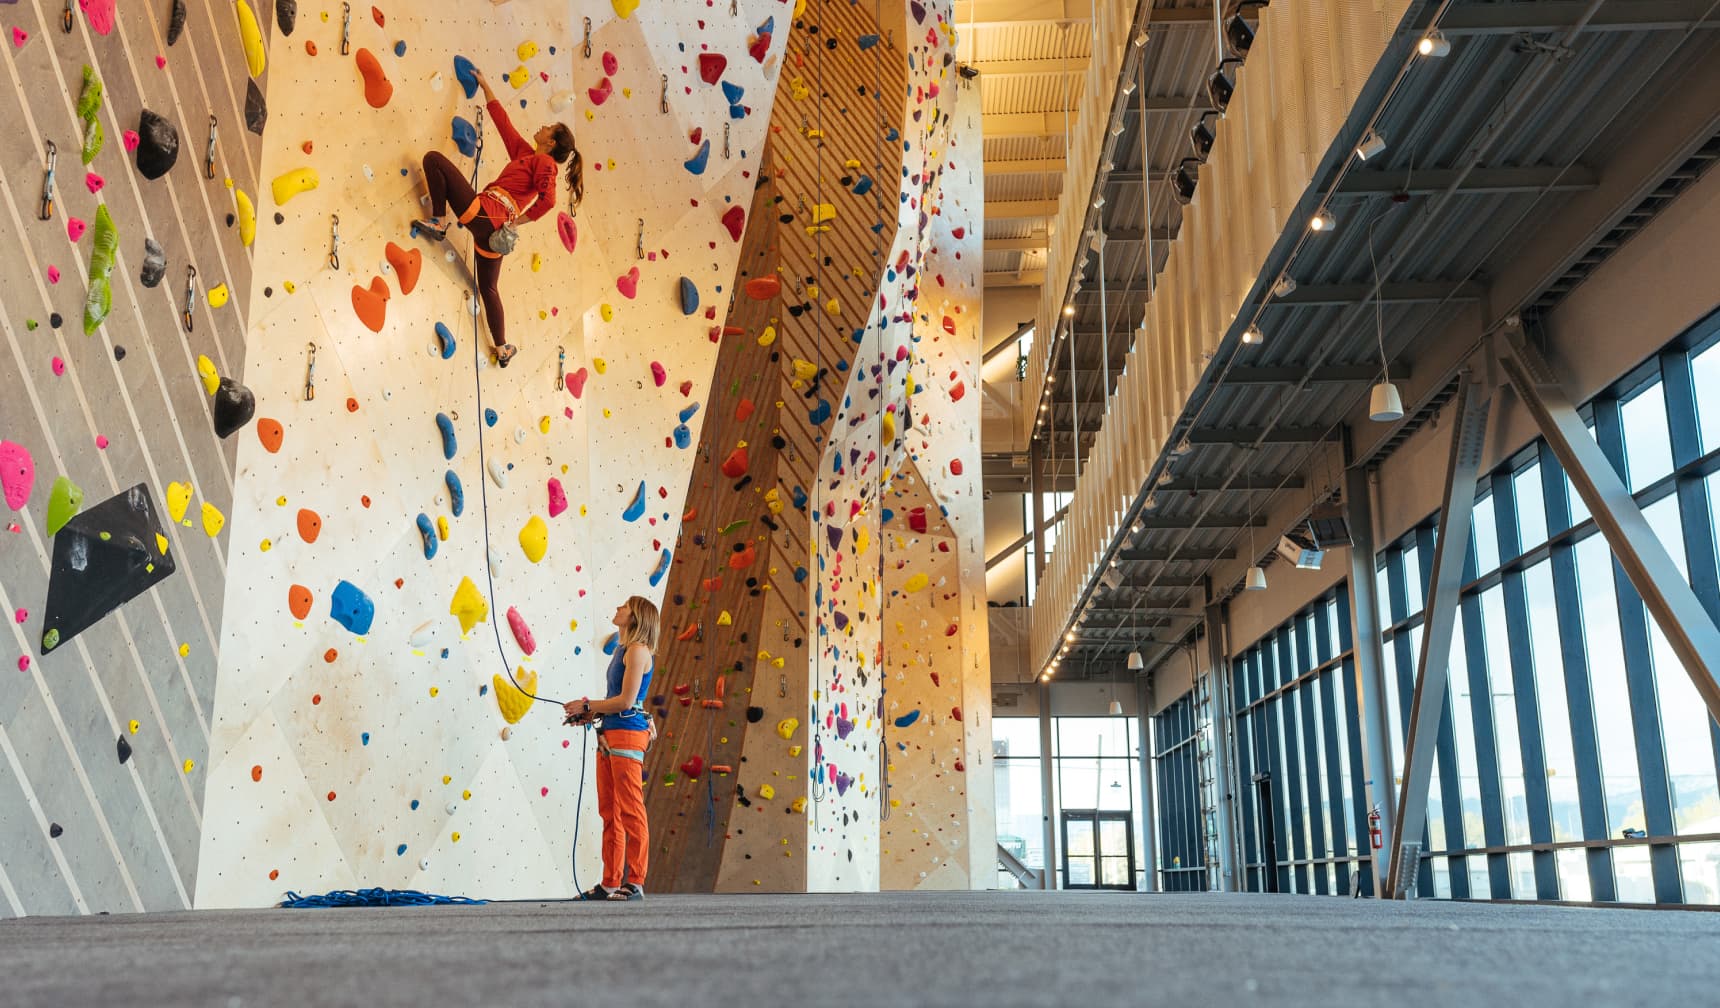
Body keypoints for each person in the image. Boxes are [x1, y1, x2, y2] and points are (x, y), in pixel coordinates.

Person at [415, 70, 584, 367]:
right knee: (489, 289)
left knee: (433, 160)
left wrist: (516, 220)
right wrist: (485, 83)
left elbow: (549, 200)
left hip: (486, 215)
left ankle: (439, 221)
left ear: (552, 143)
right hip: (491, 235)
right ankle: (503, 348)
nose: (542, 127)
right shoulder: (526, 154)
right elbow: (503, 123)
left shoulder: (544, 162)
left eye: (548, 128)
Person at [563, 596, 659, 901]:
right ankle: (611, 882)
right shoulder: (622, 650)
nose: (618, 608)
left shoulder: (638, 650)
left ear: (636, 617)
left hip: (628, 736)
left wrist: (589, 705)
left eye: (625, 606)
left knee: (631, 810)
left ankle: (636, 881)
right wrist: (590, 714)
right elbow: (617, 702)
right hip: (611, 734)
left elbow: (626, 702)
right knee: (610, 813)